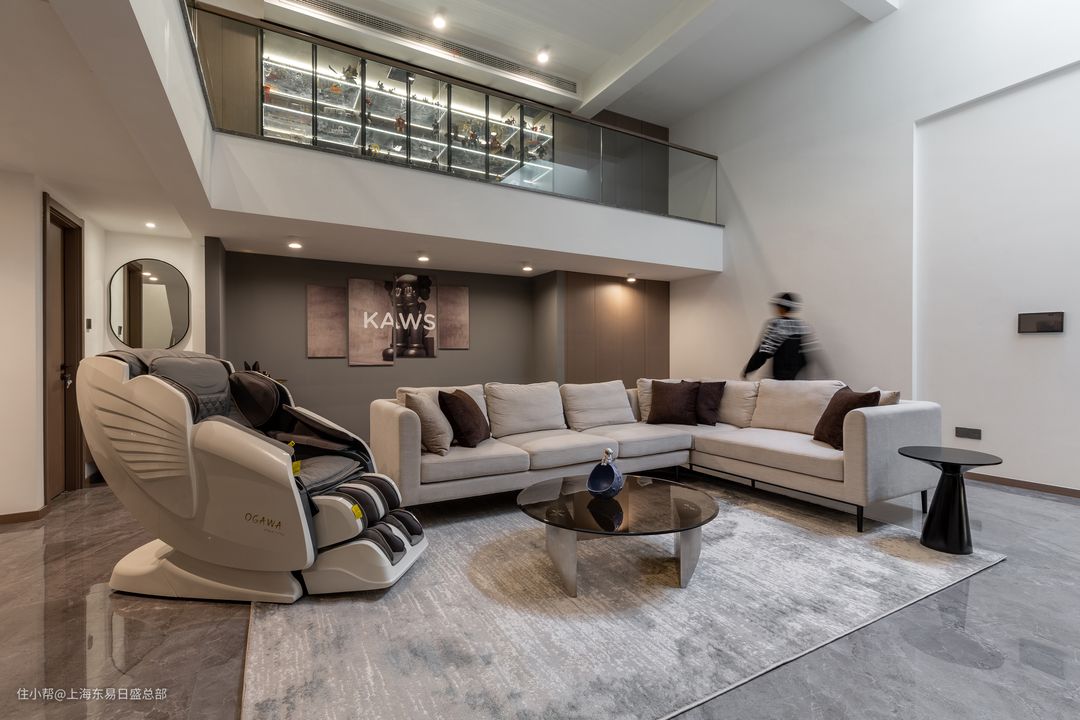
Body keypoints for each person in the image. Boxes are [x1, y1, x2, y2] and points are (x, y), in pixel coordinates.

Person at [742, 292, 820, 380]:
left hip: (780, 377)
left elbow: (763, 353)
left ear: (781, 308)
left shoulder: (777, 325)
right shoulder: (801, 325)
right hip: (796, 378)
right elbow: (806, 357)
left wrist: (748, 370)